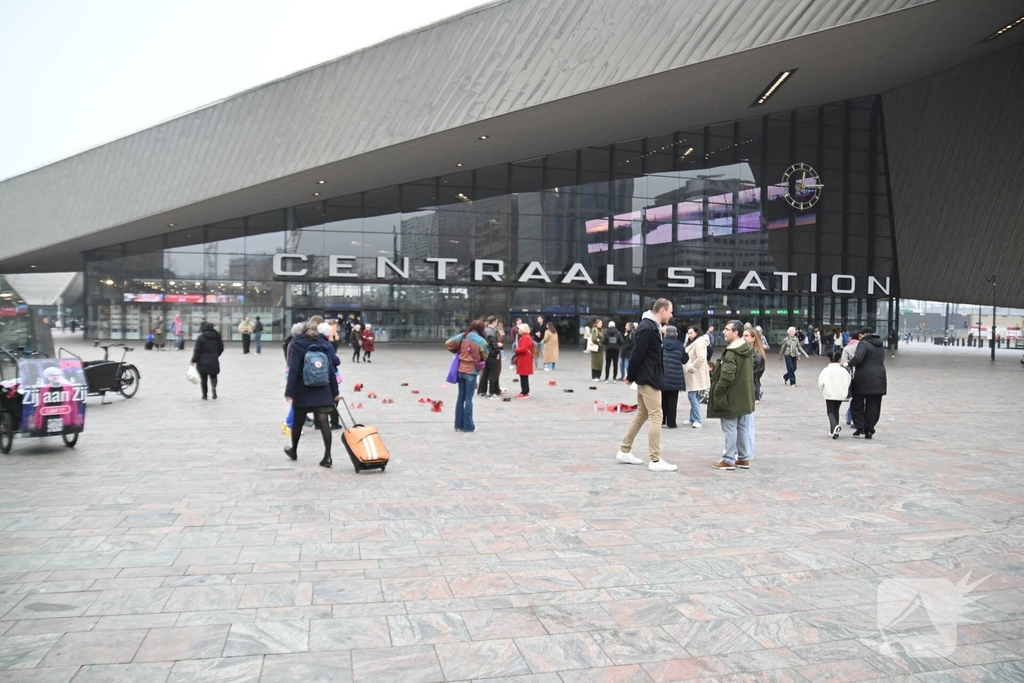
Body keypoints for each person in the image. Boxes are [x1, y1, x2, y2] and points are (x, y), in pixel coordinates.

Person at [615, 298, 677, 472]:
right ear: (662, 310)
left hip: (648, 376)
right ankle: (655, 460)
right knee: (656, 415)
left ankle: (624, 450)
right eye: (670, 311)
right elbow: (637, 353)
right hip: (649, 378)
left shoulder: (652, 326)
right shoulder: (647, 327)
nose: (672, 315)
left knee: (642, 414)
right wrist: (630, 376)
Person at [284, 319, 341, 468]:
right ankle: (327, 457)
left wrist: (289, 391)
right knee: (324, 422)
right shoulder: (323, 344)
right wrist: (335, 392)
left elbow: (294, 369)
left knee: (298, 422)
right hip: (323, 390)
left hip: (303, 391)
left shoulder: (297, 344)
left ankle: (294, 451)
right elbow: (330, 371)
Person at [708, 320, 756, 471]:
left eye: (727, 329)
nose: (723, 332)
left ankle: (729, 459)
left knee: (729, 427)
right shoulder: (747, 348)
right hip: (743, 395)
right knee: (741, 427)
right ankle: (743, 458)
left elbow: (727, 375)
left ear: (736, 333)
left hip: (731, 396)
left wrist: (717, 391)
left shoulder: (731, 352)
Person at [446, 320, 489, 432]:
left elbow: (448, 343)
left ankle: (458, 425)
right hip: (471, 372)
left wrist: (458, 352)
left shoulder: (462, 336)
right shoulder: (482, 341)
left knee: (460, 397)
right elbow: (485, 356)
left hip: (460, 371)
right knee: (468, 399)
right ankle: (468, 426)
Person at [846, 327, 887, 439]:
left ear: (864, 334)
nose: (859, 338)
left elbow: (858, 359)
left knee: (857, 403)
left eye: (860, 336)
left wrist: (848, 363)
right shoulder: (880, 345)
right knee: (874, 405)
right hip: (879, 377)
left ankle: (859, 426)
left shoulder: (864, 344)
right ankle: (869, 429)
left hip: (863, 377)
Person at [818, 351, 851, 439]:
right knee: (836, 410)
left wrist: (823, 390)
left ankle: (834, 426)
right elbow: (848, 381)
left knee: (830, 411)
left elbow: (820, 382)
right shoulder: (843, 370)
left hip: (829, 393)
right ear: (839, 359)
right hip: (840, 393)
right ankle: (834, 431)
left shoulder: (826, 370)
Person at [683, 325, 709, 428]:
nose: (689, 335)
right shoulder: (696, 342)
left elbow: (701, 358)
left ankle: (697, 419)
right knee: (695, 396)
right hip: (694, 373)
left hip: (695, 373)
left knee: (692, 396)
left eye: (691, 333)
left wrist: (692, 367)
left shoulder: (699, 343)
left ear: (697, 332)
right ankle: (693, 418)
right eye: (688, 333)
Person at [190, 322, 224, 400]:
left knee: (203, 378)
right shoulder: (217, 336)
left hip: (202, 360)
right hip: (213, 359)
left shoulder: (200, 337)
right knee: (214, 376)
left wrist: (193, 360)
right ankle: (213, 388)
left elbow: (197, 350)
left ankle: (204, 395)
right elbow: (221, 348)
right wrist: (216, 354)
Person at [661, 325, 685, 429]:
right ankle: (671, 422)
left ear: (666, 333)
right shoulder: (680, 345)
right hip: (676, 376)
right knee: (673, 400)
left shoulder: (661, 344)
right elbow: (685, 360)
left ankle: (661, 420)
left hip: (663, 375)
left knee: (662, 399)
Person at [478, 316, 502, 398]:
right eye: (496, 322)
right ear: (494, 322)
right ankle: (492, 393)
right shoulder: (492, 331)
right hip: (492, 354)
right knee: (492, 374)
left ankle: (483, 392)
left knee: (485, 373)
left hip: (485, 354)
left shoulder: (484, 330)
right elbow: (494, 343)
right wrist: (498, 352)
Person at [744, 325, 767, 402]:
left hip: (749, 389)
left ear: (754, 338)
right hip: (746, 388)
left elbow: (751, 374)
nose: (744, 338)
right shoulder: (747, 351)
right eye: (743, 335)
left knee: (748, 413)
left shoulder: (757, 356)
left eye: (746, 336)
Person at [513, 323, 534, 398]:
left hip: (524, 358)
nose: (518, 330)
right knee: (523, 376)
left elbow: (523, 349)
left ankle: (524, 391)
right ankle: (525, 391)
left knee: (524, 376)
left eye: (519, 329)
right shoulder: (525, 337)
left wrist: (516, 350)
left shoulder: (525, 337)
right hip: (524, 358)